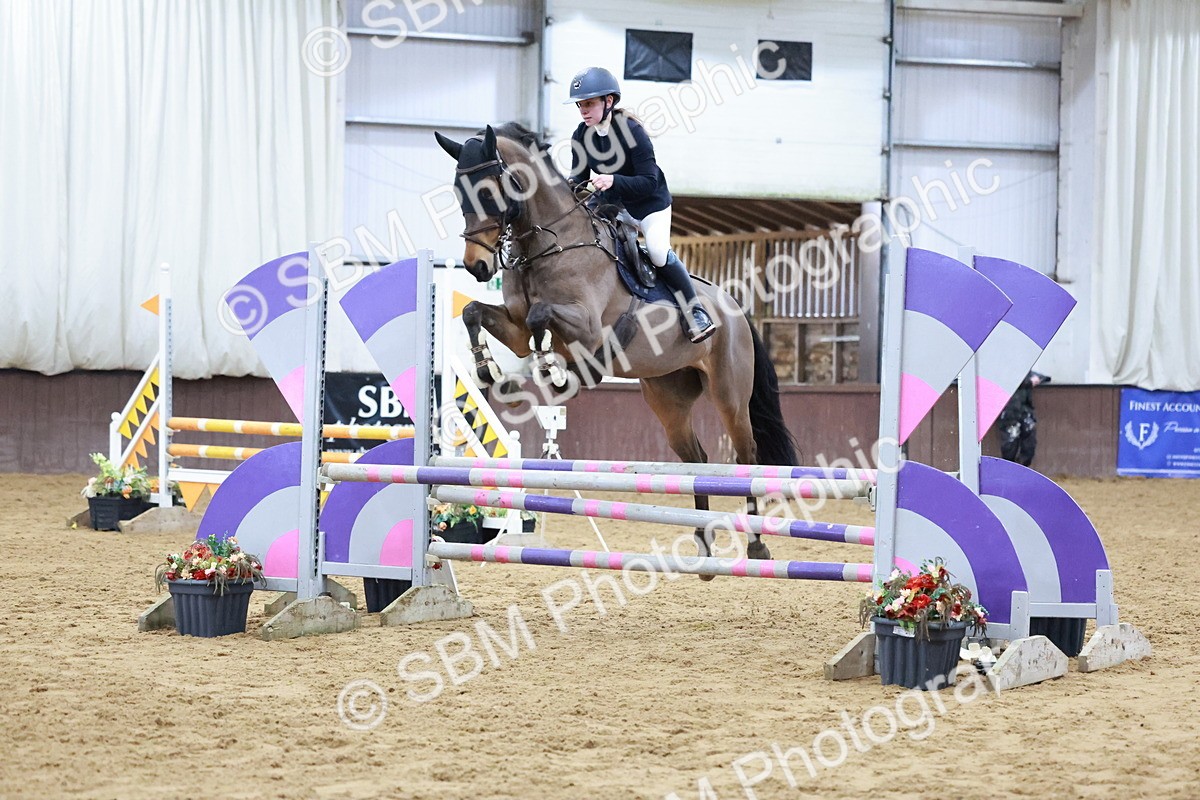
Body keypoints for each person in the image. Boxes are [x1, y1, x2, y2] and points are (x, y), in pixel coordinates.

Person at [565, 66, 716, 343]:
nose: (583, 110)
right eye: (580, 105)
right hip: (611, 206)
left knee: (658, 252)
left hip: (649, 206)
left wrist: (613, 181)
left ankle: (695, 309)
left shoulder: (633, 131)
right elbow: (578, 177)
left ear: (608, 101)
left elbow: (648, 180)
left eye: (589, 104)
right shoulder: (581, 135)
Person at [998, 371, 1050, 467]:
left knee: (1029, 445)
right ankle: (1010, 471)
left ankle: (1021, 469)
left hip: (1025, 410)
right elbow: (1006, 380)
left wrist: (1035, 380)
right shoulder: (1005, 368)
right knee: (1010, 446)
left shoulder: (1024, 370)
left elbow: (1044, 377)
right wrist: (1030, 382)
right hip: (1010, 411)